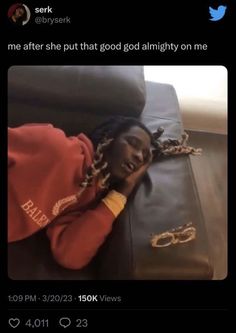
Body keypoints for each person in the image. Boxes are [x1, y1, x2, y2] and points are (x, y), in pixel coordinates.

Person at [8, 116, 201, 269]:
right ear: (108, 138)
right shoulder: (55, 146)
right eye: (133, 143)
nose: (138, 156)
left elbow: (70, 256)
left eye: (144, 157)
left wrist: (124, 190)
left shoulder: (87, 198)